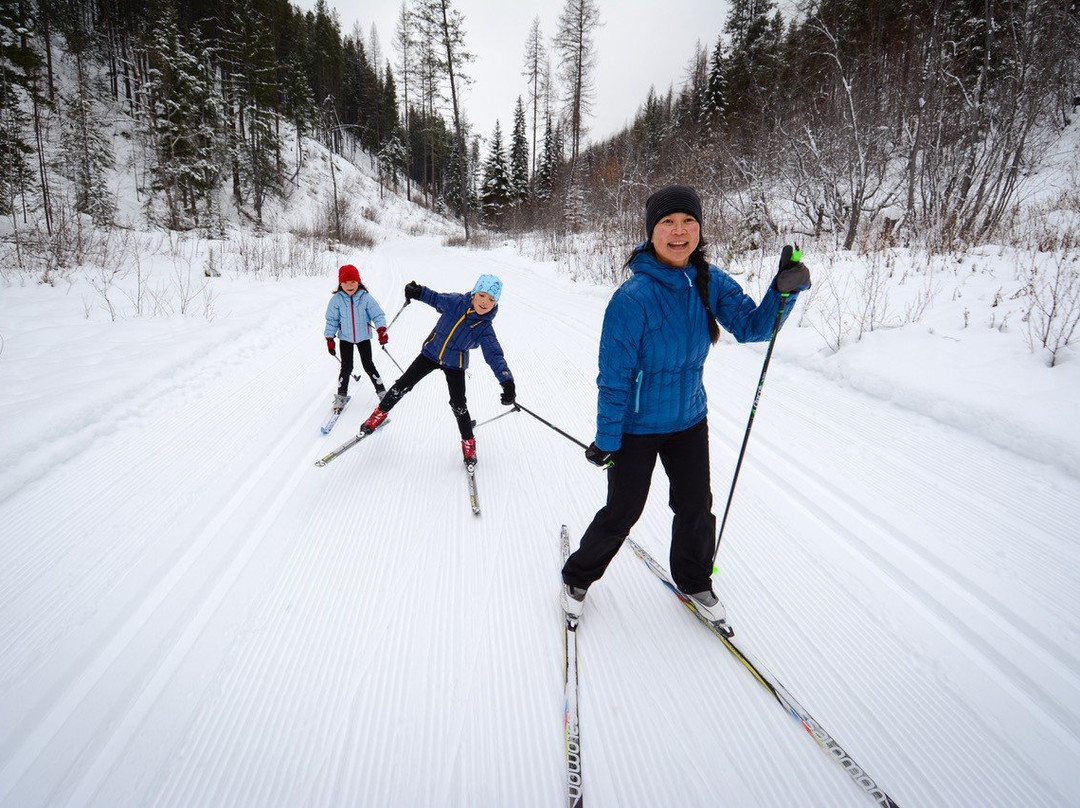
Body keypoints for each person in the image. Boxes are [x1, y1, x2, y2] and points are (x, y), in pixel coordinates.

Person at [560, 184, 811, 621]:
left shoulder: (709, 281)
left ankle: (695, 581)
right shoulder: (632, 298)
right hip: (637, 428)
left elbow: (752, 328)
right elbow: (613, 378)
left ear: (699, 228)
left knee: (696, 505)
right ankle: (578, 576)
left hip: (689, 418)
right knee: (623, 511)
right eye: (668, 223)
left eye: (688, 222)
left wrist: (781, 293)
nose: (679, 232)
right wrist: (607, 438)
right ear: (652, 231)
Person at [358, 274, 516, 466]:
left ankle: (468, 443)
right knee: (402, 385)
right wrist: (418, 292)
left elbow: (494, 355)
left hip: (455, 363)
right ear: (474, 294)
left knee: (459, 404)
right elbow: (435, 298)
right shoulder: (456, 302)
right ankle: (379, 415)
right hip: (430, 353)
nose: (485, 302)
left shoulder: (484, 328)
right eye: (482, 295)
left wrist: (507, 381)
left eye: (492, 299)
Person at [324, 264, 388, 411]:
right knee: (346, 367)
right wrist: (330, 339)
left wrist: (381, 330)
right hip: (345, 338)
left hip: (363, 337)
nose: (349, 285)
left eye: (352, 281)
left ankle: (382, 392)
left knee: (368, 365)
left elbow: (378, 315)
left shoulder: (365, 298)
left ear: (358, 281)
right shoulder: (336, 300)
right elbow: (332, 320)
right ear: (340, 284)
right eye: (345, 282)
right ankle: (341, 396)